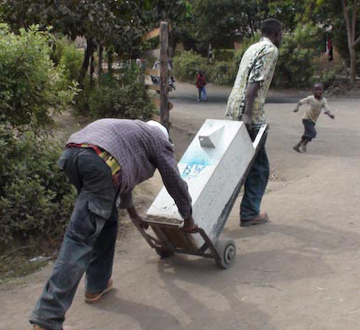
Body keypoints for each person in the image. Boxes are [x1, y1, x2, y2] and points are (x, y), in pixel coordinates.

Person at [29, 119, 197, 330]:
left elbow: (121, 174)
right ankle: (48, 318)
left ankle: (97, 285)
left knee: (107, 221)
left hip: (74, 156)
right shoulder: (157, 139)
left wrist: (134, 214)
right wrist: (187, 215)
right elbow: (173, 179)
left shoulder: (130, 134)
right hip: (99, 164)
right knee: (80, 239)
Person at [224, 18, 282, 227]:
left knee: (237, 164)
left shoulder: (252, 48)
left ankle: (224, 208)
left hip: (232, 110)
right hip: (250, 115)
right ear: (276, 33)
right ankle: (249, 212)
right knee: (259, 168)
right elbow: (254, 83)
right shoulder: (270, 50)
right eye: (281, 34)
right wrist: (248, 114)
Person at [293, 83, 335, 153]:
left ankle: (297, 146)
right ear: (312, 91)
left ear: (323, 90)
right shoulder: (310, 98)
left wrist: (330, 115)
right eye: (316, 90)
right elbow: (300, 102)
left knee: (307, 134)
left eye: (320, 89)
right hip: (306, 118)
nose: (318, 91)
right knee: (313, 133)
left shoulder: (323, 100)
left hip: (313, 120)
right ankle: (304, 144)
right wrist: (296, 108)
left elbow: (326, 109)